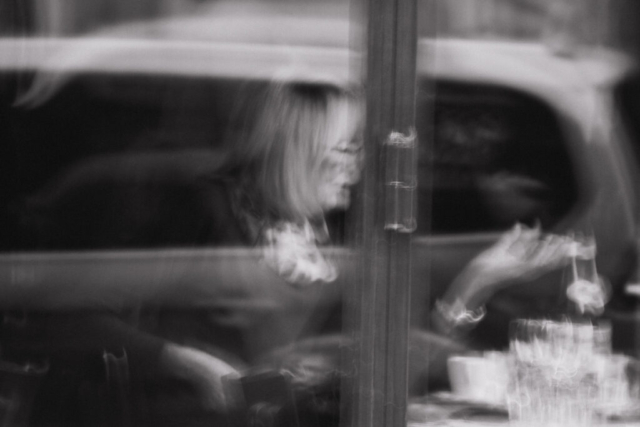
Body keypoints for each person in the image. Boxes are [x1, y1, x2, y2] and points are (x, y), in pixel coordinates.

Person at [2, 78, 364, 426]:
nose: (356, 167)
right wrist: (185, 364)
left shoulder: (330, 234)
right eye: (345, 149)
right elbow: (73, 320)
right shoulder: (197, 211)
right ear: (298, 150)